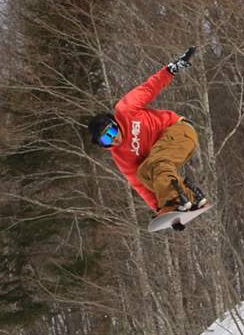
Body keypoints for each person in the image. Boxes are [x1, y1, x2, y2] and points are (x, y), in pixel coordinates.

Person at [87, 46, 205, 217]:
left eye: (111, 132)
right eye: (106, 140)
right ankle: (191, 199)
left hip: (178, 130)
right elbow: (139, 185)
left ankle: (175, 201)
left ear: (114, 122)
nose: (114, 140)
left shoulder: (126, 109)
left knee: (156, 162)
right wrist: (159, 210)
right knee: (143, 173)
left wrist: (172, 69)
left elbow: (150, 87)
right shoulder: (120, 155)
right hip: (166, 154)